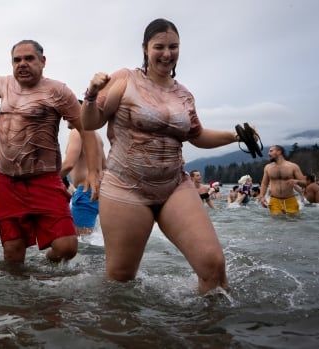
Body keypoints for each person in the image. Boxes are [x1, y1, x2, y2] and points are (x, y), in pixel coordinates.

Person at [81, 18, 240, 293]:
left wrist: (235, 136)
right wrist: (92, 94)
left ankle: (204, 334)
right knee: (121, 280)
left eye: (173, 47)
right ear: (145, 48)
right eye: (159, 47)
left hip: (174, 186)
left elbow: (197, 135)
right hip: (125, 188)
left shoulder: (184, 95)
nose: (167, 54)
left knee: (213, 266)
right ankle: (123, 335)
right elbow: (90, 122)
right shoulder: (124, 79)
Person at [0, 28, 100, 264]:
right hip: (7, 182)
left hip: (44, 180)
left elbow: (85, 128)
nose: (22, 64)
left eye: (29, 58)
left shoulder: (58, 91)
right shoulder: (5, 85)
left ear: (43, 61)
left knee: (67, 246)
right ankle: (19, 298)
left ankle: (46, 265)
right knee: (13, 254)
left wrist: (95, 172)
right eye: (17, 60)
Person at [60, 123, 106, 235]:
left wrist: (48, 181)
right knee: (90, 239)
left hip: (85, 193)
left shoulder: (77, 132)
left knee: (81, 242)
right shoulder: (96, 136)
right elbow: (105, 167)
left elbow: (69, 164)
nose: (65, 118)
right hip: (98, 192)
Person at [259, 145, 306, 215]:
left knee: (294, 223)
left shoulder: (293, 166)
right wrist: (262, 197)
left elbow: (304, 183)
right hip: (274, 200)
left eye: (271, 151)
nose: (269, 153)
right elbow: (264, 184)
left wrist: (297, 181)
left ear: (279, 152)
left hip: (290, 200)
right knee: (276, 224)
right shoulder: (268, 167)